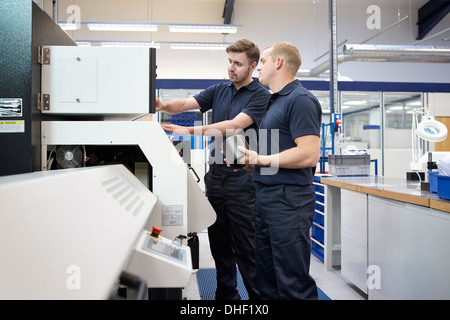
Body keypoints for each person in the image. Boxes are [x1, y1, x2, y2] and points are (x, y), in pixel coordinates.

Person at [155, 39, 271, 300]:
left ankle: (258, 299)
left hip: (243, 180)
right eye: (229, 61)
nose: (231, 68)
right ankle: (226, 297)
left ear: (252, 66)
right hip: (216, 178)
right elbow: (185, 104)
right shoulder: (220, 89)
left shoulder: (260, 95)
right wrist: (163, 105)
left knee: (246, 247)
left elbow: (233, 125)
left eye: (238, 64)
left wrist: (190, 131)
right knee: (219, 245)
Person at [238, 42, 322, 300]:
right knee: (267, 276)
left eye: (263, 61)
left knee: (291, 280)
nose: (258, 67)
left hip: (289, 201)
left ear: (279, 63)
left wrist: (261, 159)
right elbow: (283, 152)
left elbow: (308, 153)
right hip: (266, 196)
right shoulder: (274, 103)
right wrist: (255, 162)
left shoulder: (301, 100)